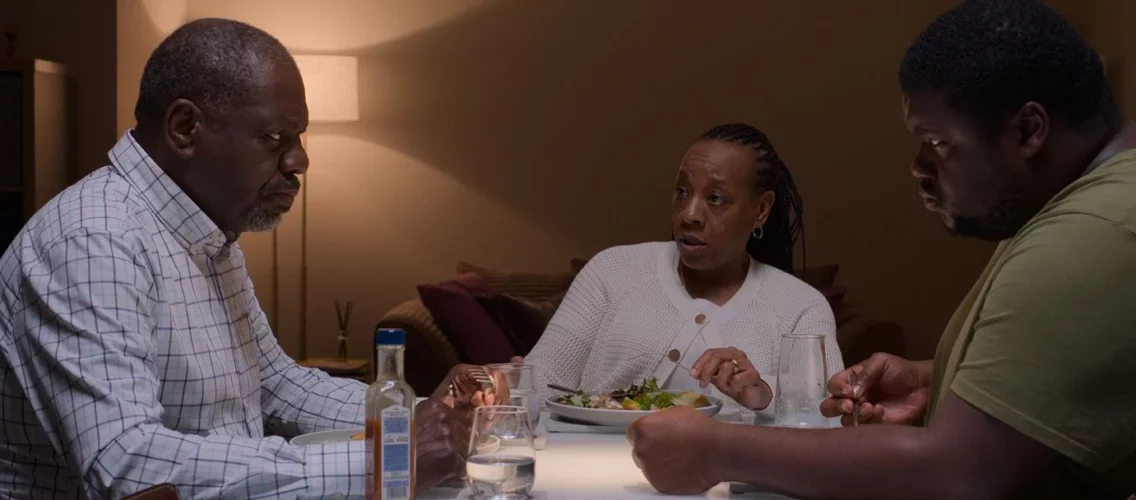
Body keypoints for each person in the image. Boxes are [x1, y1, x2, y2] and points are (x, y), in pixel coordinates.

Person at [628, 1, 1136, 498]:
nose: (918, 167)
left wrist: (717, 451)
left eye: (938, 142)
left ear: (1028, 129)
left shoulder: (1106, 234)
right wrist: (934, 376)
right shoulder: (1121, 186)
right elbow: (1096, 361)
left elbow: (956, 476)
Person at [0, 19, 502, 499]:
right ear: (184, 128)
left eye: (298, 138)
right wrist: (389, 460)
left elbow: (275, 386)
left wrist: (430, 415)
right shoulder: (94, 241)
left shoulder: (205, 233)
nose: (299, 161)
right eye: (275, 139)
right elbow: (126, 465)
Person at [523, 123, 843, 415]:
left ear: (760, 209)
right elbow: (536, 385)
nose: (689, 215)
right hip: (591, 459)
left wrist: (763, 393)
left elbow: (825, 416)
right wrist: (507, 386)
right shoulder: (611, 271)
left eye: (715, 198)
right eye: (682, 192)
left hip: (730, 464)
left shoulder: (801, 306)